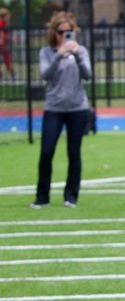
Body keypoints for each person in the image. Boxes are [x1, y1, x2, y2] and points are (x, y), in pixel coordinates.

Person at [32, 12, 92, 208]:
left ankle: (71, 196)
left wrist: (76, 55)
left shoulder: (81, 50)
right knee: (47, 151)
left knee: (74, 152)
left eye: (69, 31)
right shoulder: (47, 52)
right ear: (54, 33)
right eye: (61, 31)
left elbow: (88, 75)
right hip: (54, 108)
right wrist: (59, 56)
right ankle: (42, 197)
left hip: (77, 108)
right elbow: (45, 75)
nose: (65, 35)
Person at [0, 6, 13, 79]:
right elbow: (3, 35)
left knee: (7, 59)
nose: (9, 18)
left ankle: (11, 73)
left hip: (3, 45)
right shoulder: (1, 24)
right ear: (3, 16)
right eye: (7, 16)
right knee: (6, 59)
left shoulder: (4, 24)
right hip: (1, 45)